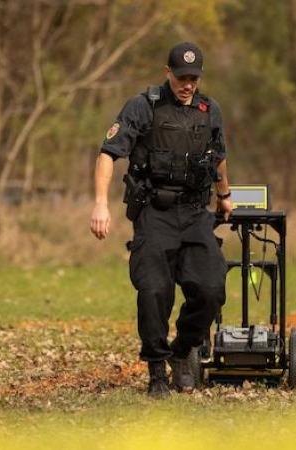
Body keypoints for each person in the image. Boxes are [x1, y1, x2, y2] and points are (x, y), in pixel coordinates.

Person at [90, 42, 233, 397]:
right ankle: (157, 369)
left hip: (196, 211)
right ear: (167, 72)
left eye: (194, 78)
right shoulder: (143, 107)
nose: (188, 84)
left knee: (212, 288)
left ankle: (183, 351)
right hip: (155, 212)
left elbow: (219, 157)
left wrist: (225, 195)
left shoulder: (208, 109)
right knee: (154, 291)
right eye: (182, 77)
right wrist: (100, 204)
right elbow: (108, 154)